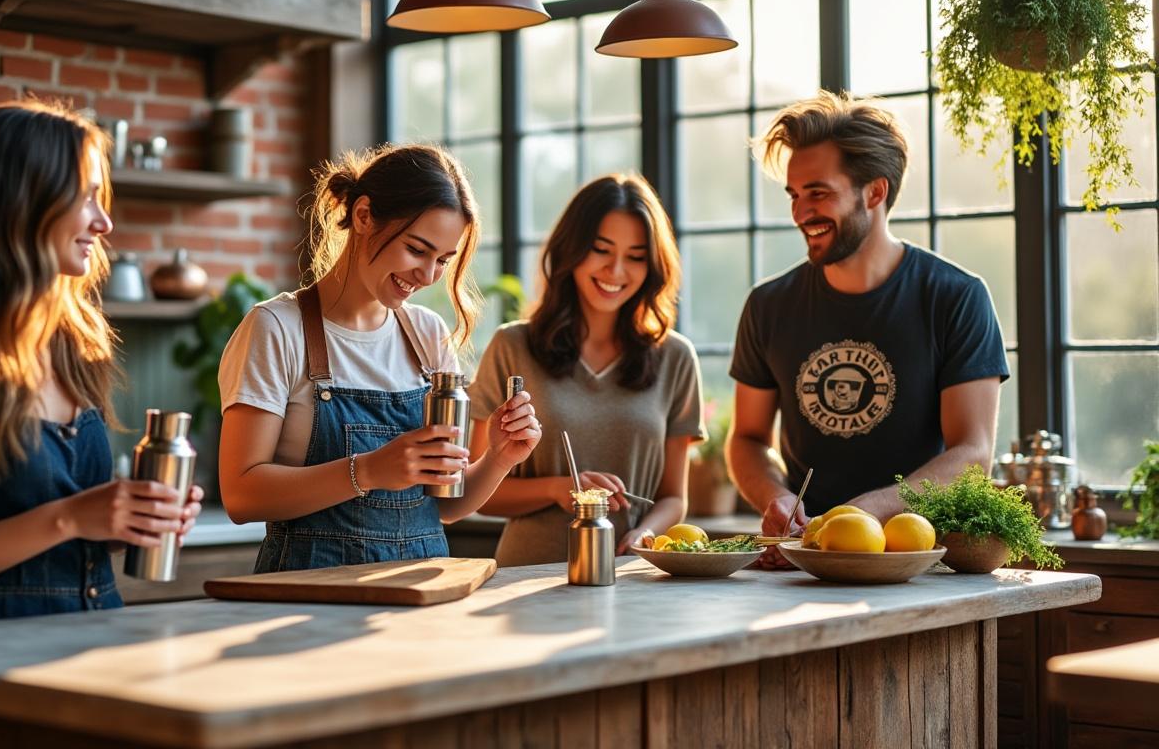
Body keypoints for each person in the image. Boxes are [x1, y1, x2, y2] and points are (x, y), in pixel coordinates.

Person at [0, 101, 204, 623]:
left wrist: (129, 520)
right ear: (21, 202)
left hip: (89, 639)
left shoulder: (72, 346)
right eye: (85, 197)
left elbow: (66, 538)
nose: (104, 222)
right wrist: (72, 516)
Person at [217, 143, 541, 572]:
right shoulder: (276, 328)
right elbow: (241, 496)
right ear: (364, 215)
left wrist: (500, 457)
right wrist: (367, 471)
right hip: (307, 591)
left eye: (443, 260)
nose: (427, 275)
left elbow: (445, 507)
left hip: (417, 588)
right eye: (417, 250)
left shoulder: (427, 334)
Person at [725, 91, 1010, 567]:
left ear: (874, 193)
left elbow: (973, 454)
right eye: (794, 195)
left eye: (818, 193)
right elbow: (747, 439)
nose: (800, 212)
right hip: (804, 561)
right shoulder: (767, 305)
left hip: (918, 564)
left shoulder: (956, 297)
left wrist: (865, 513)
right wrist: (776, 497)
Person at [468, 174, 705, 566]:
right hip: (524, 581)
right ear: (571, 249)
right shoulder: (512, 347)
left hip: (631, 576)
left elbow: (673, 498)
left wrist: (646, 534)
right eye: (601, 250)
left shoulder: (676, 357)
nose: (616, 270)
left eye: (636, 256)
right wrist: (557, 489)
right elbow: (477, 493)